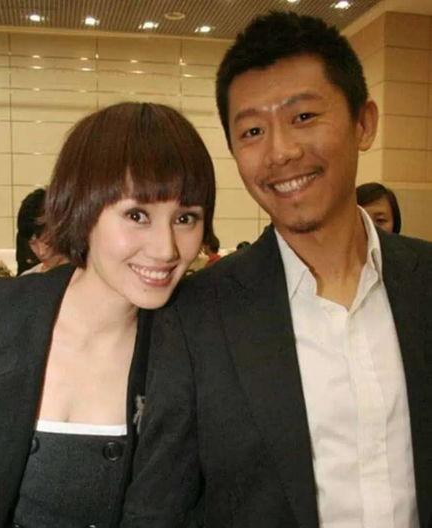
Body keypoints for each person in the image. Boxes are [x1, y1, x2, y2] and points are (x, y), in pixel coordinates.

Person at [121, 11, 432, 528]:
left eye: (303, 116)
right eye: (252, 131)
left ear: (364, 123)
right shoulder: (198, 317)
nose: (280, 152)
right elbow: (159, 506)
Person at [0, 102, 216, 528]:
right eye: (137, 215)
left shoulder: (187, 349)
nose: (166, 249)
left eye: (185, 218)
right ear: (83, 209)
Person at [16, 187, 68, 275]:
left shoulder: (86, 275)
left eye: (47, 242)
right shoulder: (28, 277)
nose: (42, 252)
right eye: (33, 243)